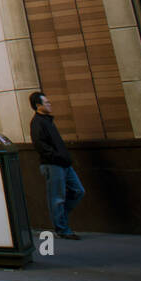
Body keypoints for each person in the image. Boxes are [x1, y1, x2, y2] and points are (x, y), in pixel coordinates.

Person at [30, 91, 84, 240]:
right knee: (57, 198)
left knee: (78, 191)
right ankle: (62, 229)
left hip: (64, 163)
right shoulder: (37, 123)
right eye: (46, 103)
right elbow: (40, 146)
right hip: (53, 165)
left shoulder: (48, 121)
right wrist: (58, 157)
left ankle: (60, 217)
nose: (49, 104)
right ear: (38, 106)